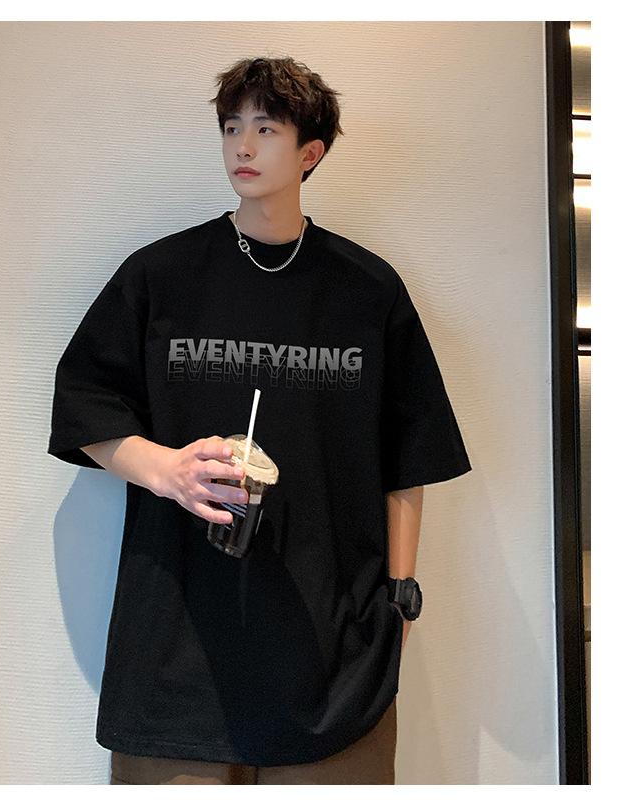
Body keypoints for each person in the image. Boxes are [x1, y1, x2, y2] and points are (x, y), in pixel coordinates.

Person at [47, 56, 472, 785]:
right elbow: (84, 404)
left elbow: (410, 454)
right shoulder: (162, 277)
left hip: (330, 656)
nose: (242, 146)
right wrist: (168, 470)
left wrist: (400, 598)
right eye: (231, 127)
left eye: (267, 129)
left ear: (311, 153)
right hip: (178, 643)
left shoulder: (366, 291)